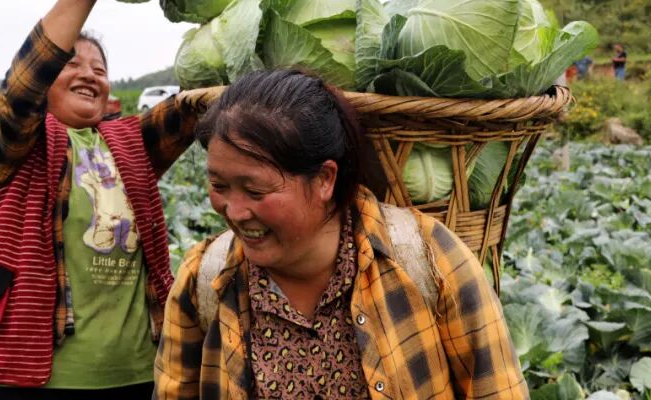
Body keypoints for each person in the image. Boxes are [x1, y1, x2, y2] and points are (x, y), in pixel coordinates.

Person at [0, 0, 263, 398]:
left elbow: (200, 97)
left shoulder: (130, 143)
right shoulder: (21, 149)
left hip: (135, 374)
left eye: (99, 67)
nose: (89, 73)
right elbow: (22, 85)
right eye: (71, 62)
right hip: (38, 377)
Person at [155, 68, 527, 400]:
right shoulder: (204, 280)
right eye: (219, 185)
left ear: (324, 179)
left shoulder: (429, 258)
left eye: (255, 192)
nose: (234, 212)